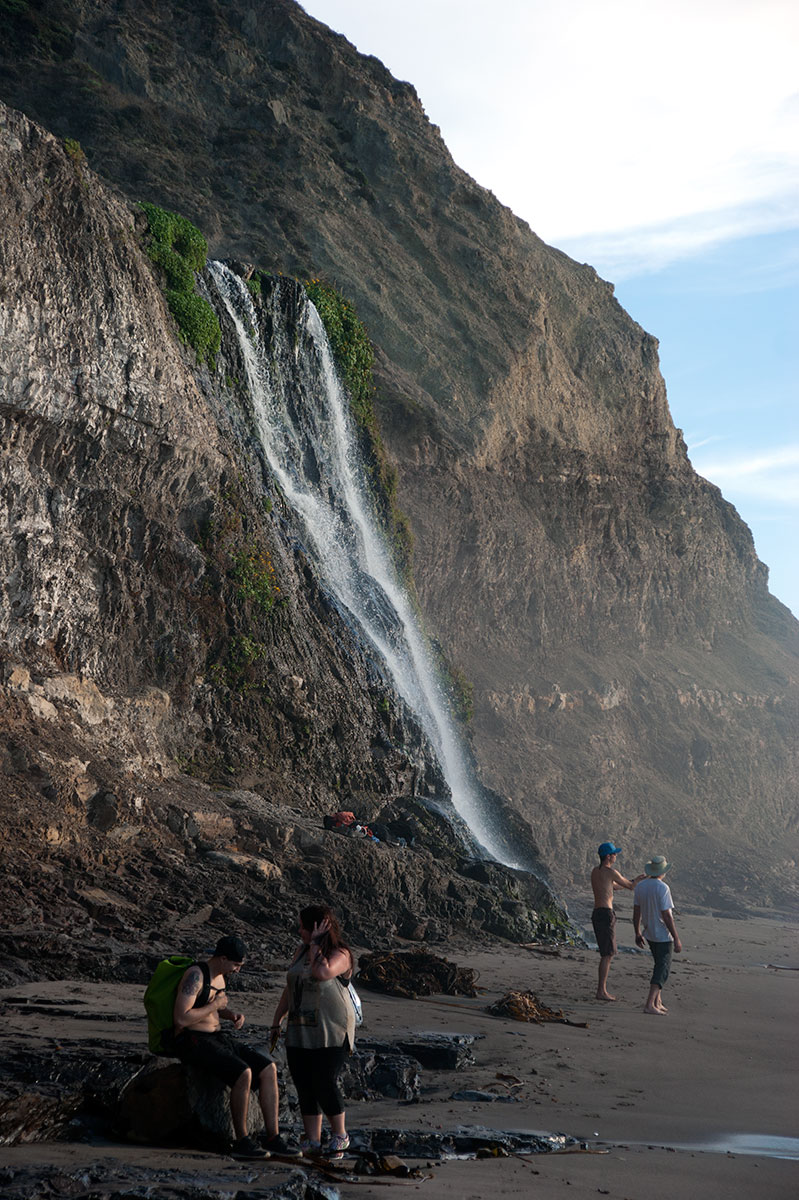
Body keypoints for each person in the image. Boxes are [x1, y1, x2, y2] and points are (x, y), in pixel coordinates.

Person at [170, 934, 298, 1160]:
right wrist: (217, 1005)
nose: (237, 970)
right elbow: (181, 1018)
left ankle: (273, 1137)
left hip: (217, 1035)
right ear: (222, 958)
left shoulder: (220, 977)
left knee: (268, 1069)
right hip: (191, 1040)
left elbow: (210, 1006)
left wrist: (230, 1014)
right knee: (243, 1073)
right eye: (236, 964)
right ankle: (242, 1141)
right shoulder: (195, 976)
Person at [271, 905, 355, 1160]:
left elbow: (321, 972)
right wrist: (277, 1020)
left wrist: (317, 943)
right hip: (299, 1027)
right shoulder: (300, 951)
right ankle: (313, 1139)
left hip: (331, 1028)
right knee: (303, 1083)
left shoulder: (341, 953)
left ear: (317, 927)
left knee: (323, 1080)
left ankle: (340, 1135)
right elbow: (290, 985)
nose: (299, 931)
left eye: (303, 927)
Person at [590, 841, 645, 1001]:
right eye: (614, 854)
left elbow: (615, 886)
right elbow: (630, 886)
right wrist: (639, 879)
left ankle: (602, 989)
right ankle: (601, 991)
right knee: (608, 954)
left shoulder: (595, 871)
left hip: (596, 913)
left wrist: (633, 880)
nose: (615, 856)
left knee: (606, 953)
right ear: (608, 856)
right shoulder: (611, 871)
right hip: (606, 914)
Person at [633, 854, 683, 1015]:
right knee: (662, 969)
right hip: (662, 934)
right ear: (662, 871)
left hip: (649, 932)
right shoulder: (663, 888)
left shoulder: (641, 886)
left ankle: (657, 1001)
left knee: (658, 964)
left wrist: (637, 932)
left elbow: (636, 912)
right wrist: (676, 937)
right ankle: (649, 1004)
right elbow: (667, 915)